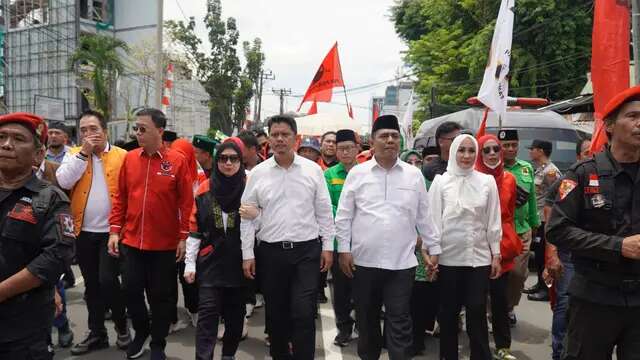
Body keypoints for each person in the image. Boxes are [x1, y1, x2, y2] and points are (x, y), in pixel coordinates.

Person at [546, 86, 640, 359]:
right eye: (632, 116)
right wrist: (617, 246)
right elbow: (558, 230)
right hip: (594, 299)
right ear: (609, 125)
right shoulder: (583, 175)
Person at [336, 115, 438, 360]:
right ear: (372, 141)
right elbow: (344, 216)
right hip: (364, 262)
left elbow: (424, 216)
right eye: (384, 136)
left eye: (394, 135)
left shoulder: (413, 175)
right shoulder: (358, 174)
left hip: (401, 263)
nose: (390, 140)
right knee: (367, 318)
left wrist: (433, 248)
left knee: (400, 318)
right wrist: (343, 250)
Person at [240, 115, 335, 360]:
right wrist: (248, 254)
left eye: (285, 134)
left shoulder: (313, 171)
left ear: (295, 138)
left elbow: (324, 211)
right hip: (271, 253)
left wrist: (327, 246)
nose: (280, 139)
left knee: (303, 311)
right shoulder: (258, 174)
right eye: (275, 134)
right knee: (276, 313)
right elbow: (247, 216)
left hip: (306, 252)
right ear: (269, 139)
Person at [108, 108, 194, 360]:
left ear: (160, 130)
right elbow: (120, 198)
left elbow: (186, 203)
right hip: (132, 242)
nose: (138, 133)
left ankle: (158, 343)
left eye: (143, 129)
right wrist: (115, 230)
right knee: (131, 292)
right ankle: (141, 332)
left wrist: (182, 236)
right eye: (136, 128)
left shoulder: (176, 161)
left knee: (160, 298)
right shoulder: (131, 159)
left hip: (164, 246)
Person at [56, 110, 131, 355]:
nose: (89, 134)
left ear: (105, 131)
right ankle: (97, 332)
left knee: (108, 281)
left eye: (93, 129)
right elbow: (64, 181)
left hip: (113, 233)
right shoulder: (75, 155)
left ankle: (121, 328)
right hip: (83, 232)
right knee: (91, 285)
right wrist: (84, 153)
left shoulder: (123, 156)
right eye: (84, 130)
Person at [0, 112, 74, 359]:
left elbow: (56, 257)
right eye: (1, 137)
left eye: (18, 139)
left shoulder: (50, 199)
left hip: (22, 329)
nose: (7, 144)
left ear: (39, 154)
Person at [424, 133, 502, 360]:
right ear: (453, 151)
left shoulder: (486, 182)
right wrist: (432, 252)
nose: (466, 155)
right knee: (448, 314)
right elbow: (433, 221)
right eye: (461, 150)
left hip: (478, 258)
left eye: (471, 150)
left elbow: (492, 220)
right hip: (448, 259)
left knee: (477, 310)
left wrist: (496, 253)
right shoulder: (441, 182)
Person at [184, 141, 248, 360]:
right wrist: (190, 264)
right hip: (210, 265)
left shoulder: (250, 187)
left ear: (241, 161)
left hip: (240, 265)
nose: (228, 163)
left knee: (235, 321)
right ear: (216, 160)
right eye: (223, 158)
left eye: (233, 158)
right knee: (207, 319)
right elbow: (194, 228)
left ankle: (228, 354)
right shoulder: (205, 188)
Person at [544, 136, 590, 360]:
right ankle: (560, 352)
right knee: (566, 302)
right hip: (571, 254)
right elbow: (551, 206)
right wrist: (551, 253)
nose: (594, 156)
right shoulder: (571, 180)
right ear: (579, 157)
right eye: (589, 152)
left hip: (604, 259)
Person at [476, 134, 521, 360]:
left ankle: (503, 346)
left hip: (501, 248)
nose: (492, 153)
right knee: (476, 300)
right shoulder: (473, 179)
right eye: (487, 150)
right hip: (476, 248)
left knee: (500, 299)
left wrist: (510, 240)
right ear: (479, 154)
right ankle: (481, 346)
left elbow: (510, 214)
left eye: (496, 149)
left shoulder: (510, 179)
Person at [500, 129, 540, 325]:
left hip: (522, 230)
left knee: (518, 275)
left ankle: (508, 307)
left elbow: (532, 197)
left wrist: (535, 223)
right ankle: (495, 312)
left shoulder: (526, 168)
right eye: (505, 145)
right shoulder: (493, 170)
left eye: (513, 145)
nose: (510, 149)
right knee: (497, 275)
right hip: (499, 232)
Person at [324, 129, 359, 347]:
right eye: (341, 148)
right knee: (342, 289)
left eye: (349, 148)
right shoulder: (329, 175)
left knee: (365, 289)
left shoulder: (365, 172)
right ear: (335, 151)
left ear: (357, 149)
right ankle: (344, 327)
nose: (345, 152)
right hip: (339, 243)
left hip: (364, 243)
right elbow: (329, 207)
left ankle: (363, 325)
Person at [524, 139, 561, 302]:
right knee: (538, 255)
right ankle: (540, 283)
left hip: (546, 219)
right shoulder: (539, 170)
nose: (530, 152)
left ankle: (547, 289)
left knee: (542, 255)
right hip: (537, 218)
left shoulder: (551, 172)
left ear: (540, 151)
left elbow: (556, 197)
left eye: (532, 149)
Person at [170, 139, 201, 329]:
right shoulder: (166, 173)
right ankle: (170, 317)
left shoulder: (199, 179)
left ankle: (194, 310)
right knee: (165, 280)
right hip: (166, 235)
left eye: (183, 156)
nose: (178, 160)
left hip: (190, 235)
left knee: (188, 276)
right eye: (175, 155)